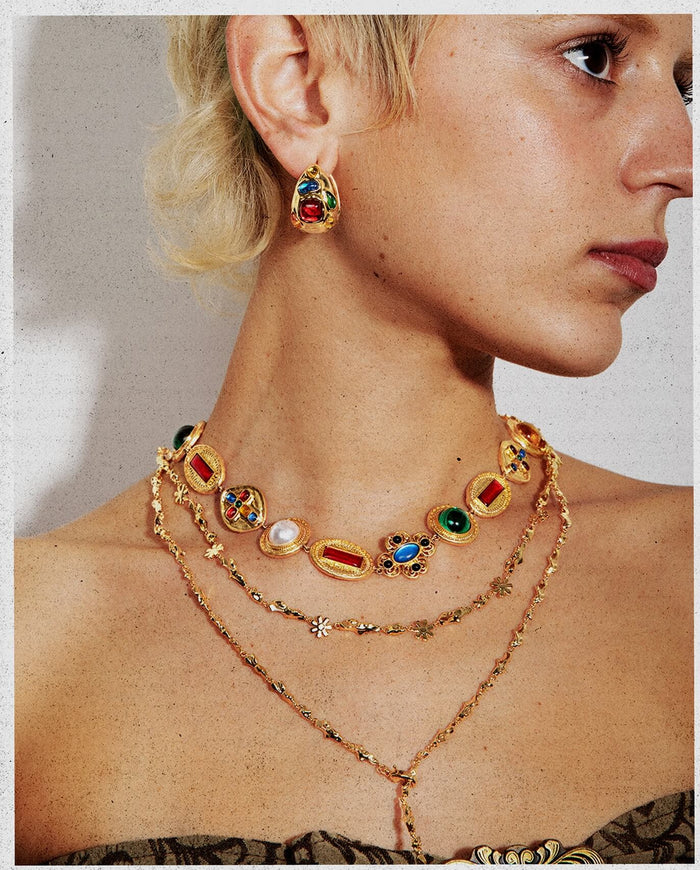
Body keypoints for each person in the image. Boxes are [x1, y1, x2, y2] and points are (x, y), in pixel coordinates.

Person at [15, 14, 693, 865]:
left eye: (685, 87)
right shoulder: (29, 649)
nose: (680, 163)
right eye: (592, 57)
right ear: (299, 83)